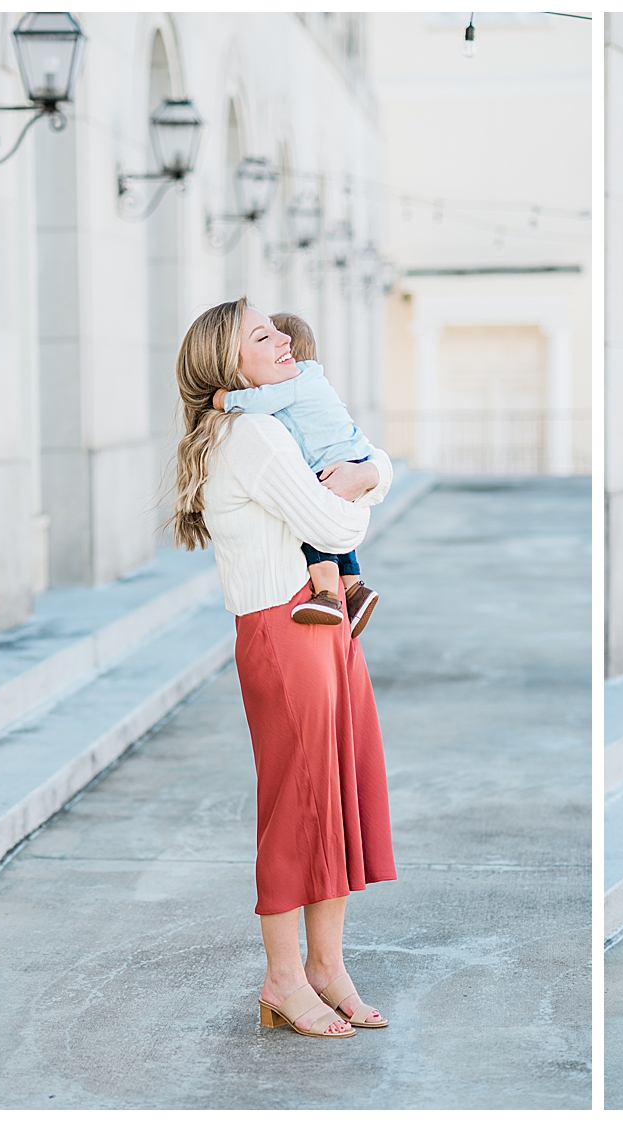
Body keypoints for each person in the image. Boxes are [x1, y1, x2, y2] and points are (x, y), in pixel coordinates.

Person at [171, 296, 395, 1039]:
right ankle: (282, 976)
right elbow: (335, 521)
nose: (282, 341)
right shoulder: (257, 435)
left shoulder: (268, 426)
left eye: (277, 329)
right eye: (259, 336)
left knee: (332, 799)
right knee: (297, 806)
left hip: (319, 625)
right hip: (287, 626)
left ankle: (326, 966)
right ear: (226, 366)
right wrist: (364, 482)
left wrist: (366, 473)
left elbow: (365, 467)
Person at [212, 311, 381, 636]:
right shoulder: (312, 380)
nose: (280, 342)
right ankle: (354, 589)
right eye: (263, 337)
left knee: (315, 535)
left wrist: (224, 399)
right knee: (339, 540)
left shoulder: (292, 383)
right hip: (354, 454)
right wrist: (372, 474)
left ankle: (328, 594)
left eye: (274, 335)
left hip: (331, 463)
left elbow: (258, 399)